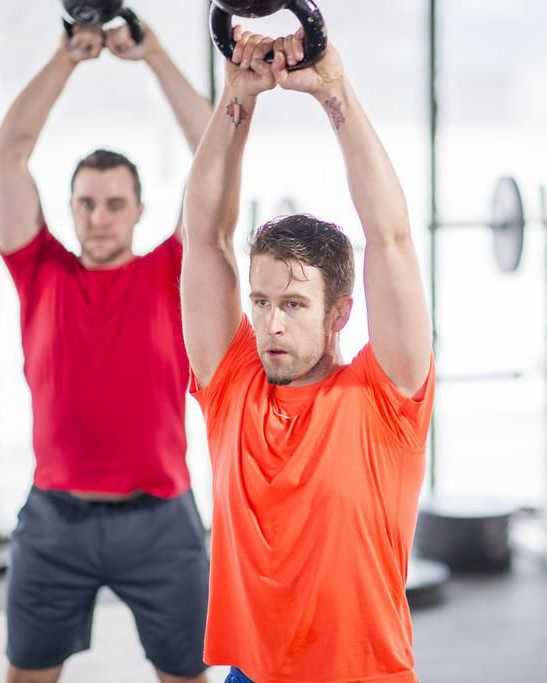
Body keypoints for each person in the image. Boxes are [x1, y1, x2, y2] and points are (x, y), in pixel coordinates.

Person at [181, 26, 435, 683]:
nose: (269, 321)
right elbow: (204, 236)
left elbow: (393, 237)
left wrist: (334, 91)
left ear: (339, 313)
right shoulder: (232, 383)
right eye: (261, 301)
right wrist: (237, 98)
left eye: (293, 305)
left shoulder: (386, 399)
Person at [0, 20, 213, 683]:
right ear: (71, 208)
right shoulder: (40, 270)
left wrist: (155, 55)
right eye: (86, 203)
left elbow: (212, 149)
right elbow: (6, 154)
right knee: (26, 675)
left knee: (186, 677)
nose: (99, 216)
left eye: (115, 203)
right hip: (56, 521)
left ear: (140, 209)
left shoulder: (173, 269)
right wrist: (66, 56)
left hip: (162, 523)